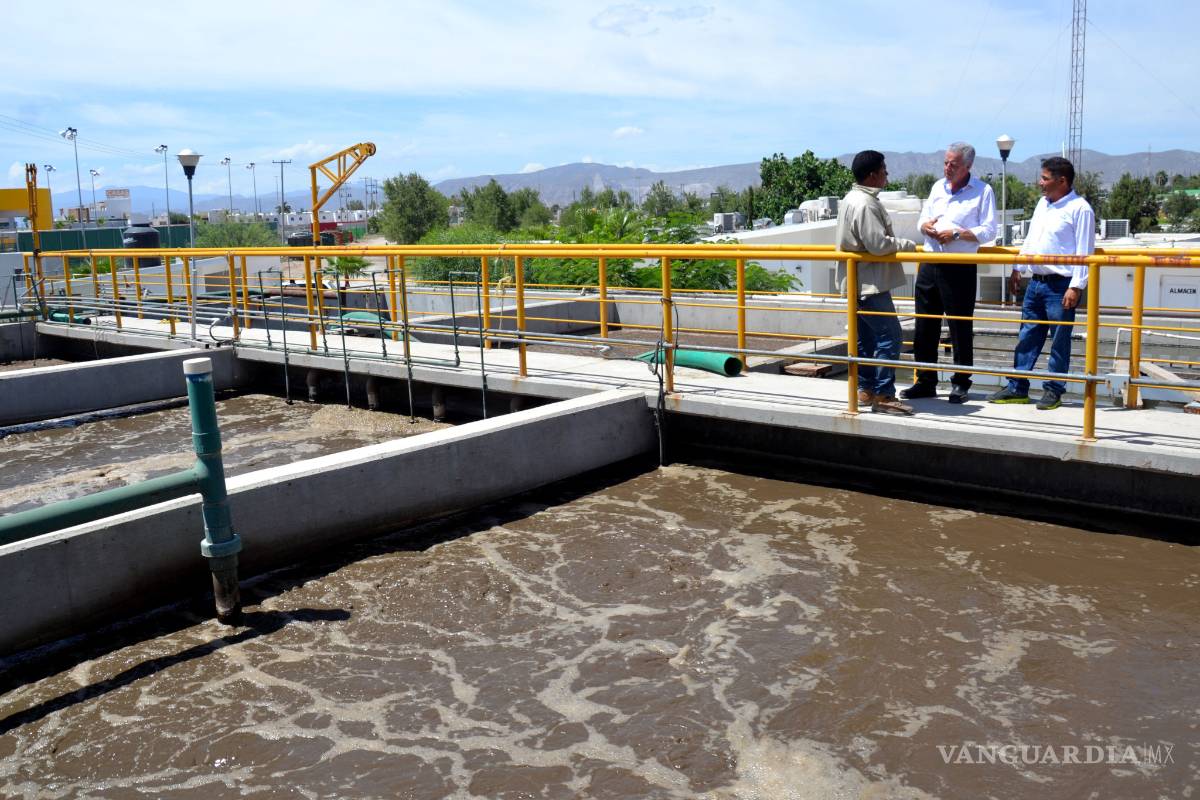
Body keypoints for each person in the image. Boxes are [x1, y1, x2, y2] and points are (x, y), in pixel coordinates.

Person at [989, 156, 1095, 410]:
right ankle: (1017, 387)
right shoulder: (1042, 204)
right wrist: (1018, 267)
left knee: (1059, 339)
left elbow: (1084, 250)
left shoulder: (1080, 209)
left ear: (1062, 181)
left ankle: (1054, 390)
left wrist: (1076, 285)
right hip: (1036, 283)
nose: (1040, 183)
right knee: (1027, 335)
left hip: (1061, 284)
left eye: (1045, 178)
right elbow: (1031, 239)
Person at [902, 142, 997, 404]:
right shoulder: (936, 187)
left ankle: (960, 383)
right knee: (924, 324)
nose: (947, 168)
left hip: (959, 266)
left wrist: (956, 233)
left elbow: (989, 231)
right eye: (945, 163)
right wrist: (927, 228)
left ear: (967, 166)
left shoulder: (983, 191)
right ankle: (925, 381)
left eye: (953, 164)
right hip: (930, 262)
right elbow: (922, 220)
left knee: (959, 326)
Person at [835, 150, 918, 415]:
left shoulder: (851, 199)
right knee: (890, 336)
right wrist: (907, 246)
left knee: (866, 339)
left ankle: (866, 389)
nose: (887, 174)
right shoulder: (866, 203)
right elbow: (877, 244)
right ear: (872, 174)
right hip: (870, 285)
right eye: (884, 170)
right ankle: (884, 395)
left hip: (856, 282)